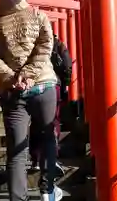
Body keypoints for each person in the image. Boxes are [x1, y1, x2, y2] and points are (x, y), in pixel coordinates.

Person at [0, 0, 62, 201]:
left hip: (13, 92)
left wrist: (12, 78)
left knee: (16, 153)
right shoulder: (37, 15)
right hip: (43, 85)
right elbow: (46, 45)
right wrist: (30, 74)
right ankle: (48, 191)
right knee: (47, 139)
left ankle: (18, 198)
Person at [29, 34, 72, 175]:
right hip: (54, 86)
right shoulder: (58, 44)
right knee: (53, 121)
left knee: (35, 122)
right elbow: (67, 65)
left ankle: (35, 158)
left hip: (34, 85)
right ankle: (51, 157)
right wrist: (66, 84)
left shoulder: (32, 44)